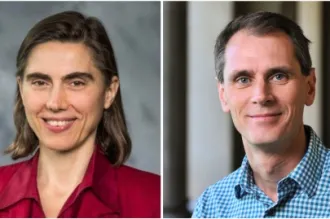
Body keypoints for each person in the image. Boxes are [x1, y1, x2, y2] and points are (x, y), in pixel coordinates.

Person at [0, 11, 160, 218]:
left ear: (109, 92)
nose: (55, 103)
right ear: (22, 89)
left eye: (76, 83)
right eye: (40, 82)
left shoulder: (152, 199)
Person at [192, 11, 330, 218]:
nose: (261, 96)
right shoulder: (211, 207)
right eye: (243, 79)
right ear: (223, 95)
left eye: (278, 76)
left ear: (310, 87)